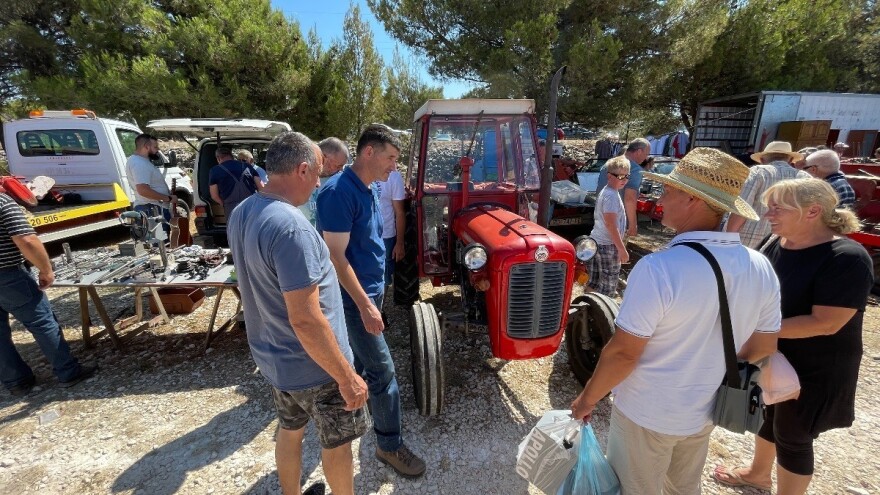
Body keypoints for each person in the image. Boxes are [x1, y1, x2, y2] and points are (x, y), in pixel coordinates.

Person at [570, 147, 780, 495]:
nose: (660, 199)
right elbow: (763, 347)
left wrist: (587, 400)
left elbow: (624, 353)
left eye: (669, 191)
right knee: (682, 487)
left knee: (636, 487)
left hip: (646, 411)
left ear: (694, 200)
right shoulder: (760, 266)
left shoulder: (659, 269)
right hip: (706, 411)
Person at [227, 131, 369, 495]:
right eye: (318, 173)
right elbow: (305, 318)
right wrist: (346, 376)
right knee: (338, 445)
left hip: (276, 360)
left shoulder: (243, 211)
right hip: (317, 368)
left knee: (289, 430)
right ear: (302, 169)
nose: (320, 182)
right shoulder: (290, 226)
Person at [713, 178, 873, 495]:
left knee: (794, 436)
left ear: (812, 211)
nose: (767, 213)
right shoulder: (777, 241)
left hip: (816, 366)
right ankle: (758, 474)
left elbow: (825, 322)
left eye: (777, 207)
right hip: (773, 354)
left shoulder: (846, 258)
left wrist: (754, 329)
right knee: (769, 415)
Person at [317, 124, 426, 478]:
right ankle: (388, 445)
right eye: (391, 157)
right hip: (353, 297)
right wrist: (365, 304)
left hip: (369, 290)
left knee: (360, 365)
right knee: (383, 372)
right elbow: (335, 255)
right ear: (369, 152)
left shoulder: (369, 187)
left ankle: (347, 419)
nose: (395, 166)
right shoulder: (337, 192)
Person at [0, 193, 97, 396]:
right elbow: (26, 239)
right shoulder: (2, 201)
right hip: (8, 276)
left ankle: (16, 381)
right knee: (42, 323)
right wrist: (45, 270)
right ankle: (68, 372)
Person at [724, 141, 810, 249]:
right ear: (791, 160)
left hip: (747, 242)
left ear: (762, 160)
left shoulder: (757, 172)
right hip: (784, 245)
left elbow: (741, 208)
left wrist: (728, 240)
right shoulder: (805, 178)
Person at [585, 156, 630, 297]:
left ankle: (588, 312)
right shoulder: (611, 196)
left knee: (594, 282)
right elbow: (611, 224)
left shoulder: (608, 192)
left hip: (597, 242)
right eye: (620, 176)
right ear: (609, 176)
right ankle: (601, 316)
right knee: (608, 288)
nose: (624, 180)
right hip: (608, 246)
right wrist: (621, 249)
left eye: (627, 176)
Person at [595, 138, 650, 236]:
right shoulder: (634, 169)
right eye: (646, 154)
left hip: (601, 215)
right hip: (617, 219)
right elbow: (629, 198)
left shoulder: (609, 163)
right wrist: (633, 225)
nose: (646, 158)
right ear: (639, 151)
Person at [299, 137, 350, 226]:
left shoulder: (339, 183)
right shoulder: (298, 176)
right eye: (338, 166)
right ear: (323, 157)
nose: (340, 170)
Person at [125, 133, 173, 224]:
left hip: (153, 208)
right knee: (160, 238)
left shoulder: (140, 161)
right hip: (151, 210)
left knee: (162, 237)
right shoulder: (139, 163)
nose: (157, 150)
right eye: (155, 147)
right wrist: (168, 198)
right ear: (146, 147)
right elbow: (143, 190)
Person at [375, 166, 405, 290]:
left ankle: (380, 306)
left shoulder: (394, 176)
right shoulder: (359, 172)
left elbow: (400, 212)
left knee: (384, 274)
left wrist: (400, 243)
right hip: (363, 234)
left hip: (386, 234)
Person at [208, 145, 262, 216]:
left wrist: (223, 203)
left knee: (234, 227)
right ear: (232, 156)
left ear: (218, 158)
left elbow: (214, 196)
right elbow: (261, 187)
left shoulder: (214, 170)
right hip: (251, 206)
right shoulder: (247, 166)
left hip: (231, 209)